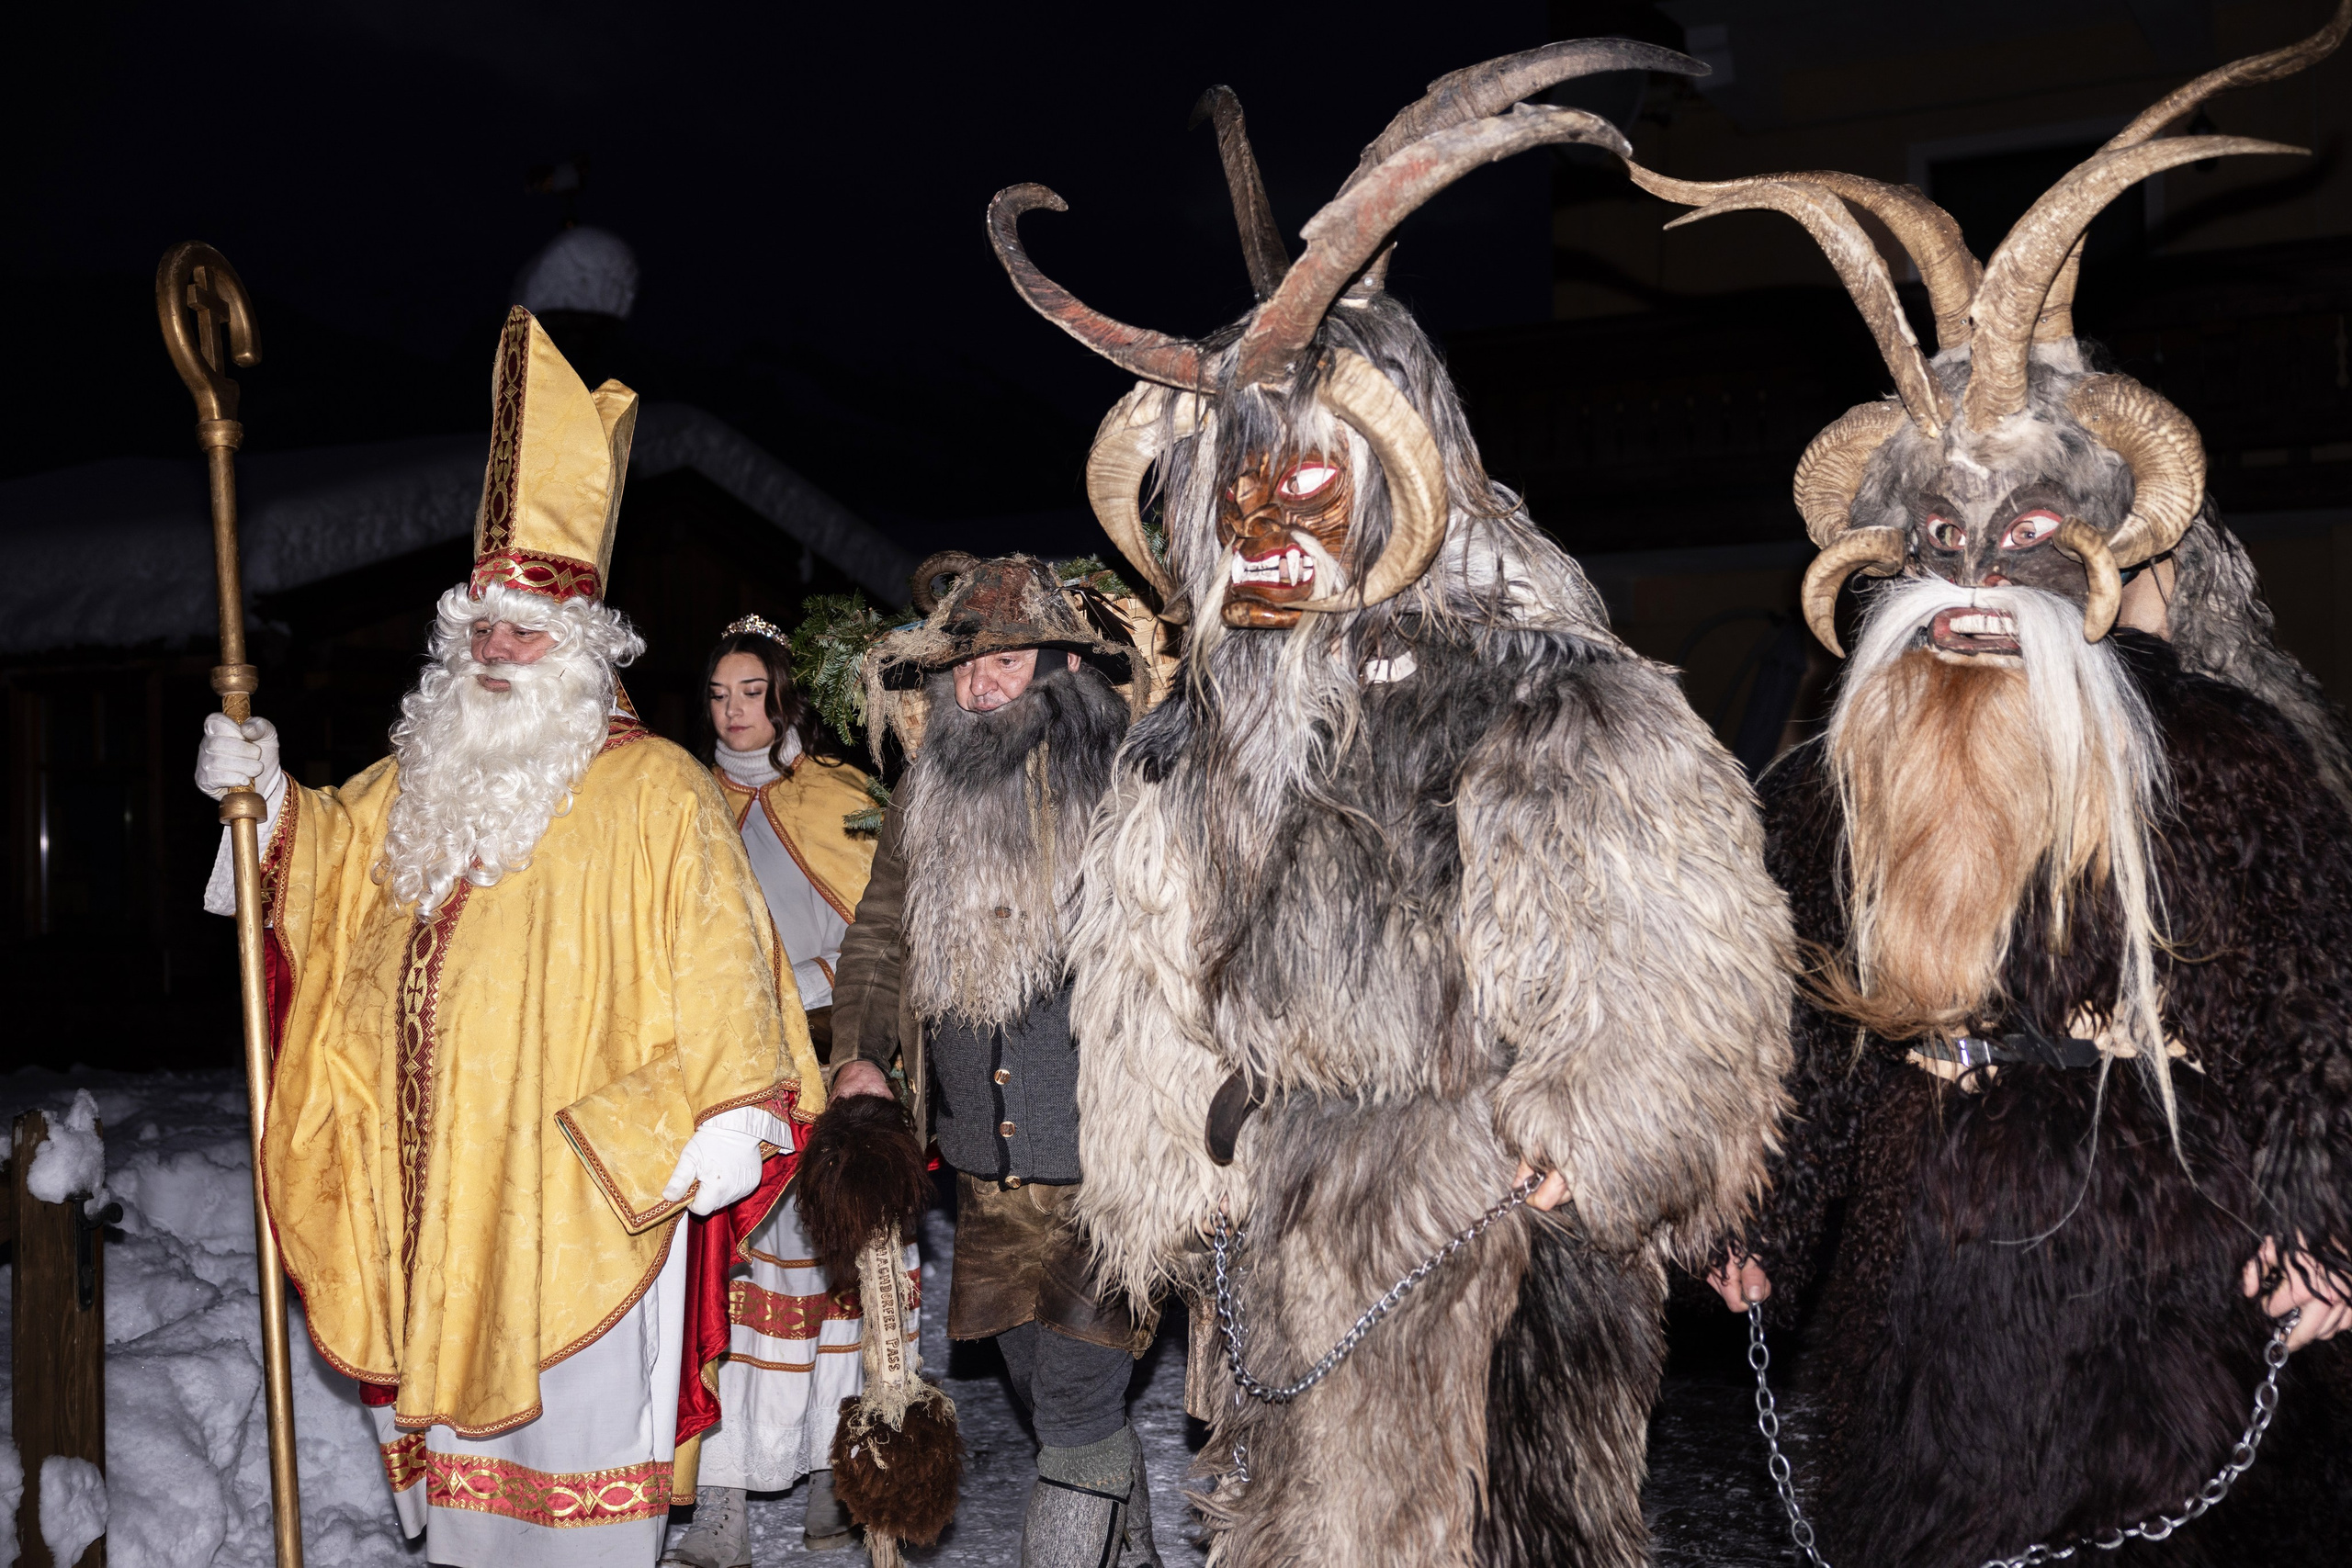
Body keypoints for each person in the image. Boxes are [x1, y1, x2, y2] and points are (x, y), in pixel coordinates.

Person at [987, 44, 1794, 1568]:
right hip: (1291, 1233)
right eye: (1237, 489)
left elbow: (1654, 932)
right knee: (1297, 1524)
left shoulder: (1540, 686)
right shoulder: (1197, 741)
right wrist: (1185, 1157)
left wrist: (1596, 1130)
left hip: (1490, 1232)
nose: (1266, 524)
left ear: (1390, 476)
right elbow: (1157, 973)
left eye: (1304, 479)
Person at [1637, 8, 2352, 1562]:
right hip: (1918, 1280)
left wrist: (2329, 1226)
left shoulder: (2226, 759)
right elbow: (1827, 1022)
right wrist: (1771, 1212)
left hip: (2163, 1266)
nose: (1969, 577)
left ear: (2098, 548)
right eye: (1936, 541)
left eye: (2019, 536)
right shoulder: (1849, 765)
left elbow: (2314, 1010)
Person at [193, 308, 824, 1568]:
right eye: (476, 627)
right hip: (443, 1199)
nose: (492, 650)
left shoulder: (657, 793)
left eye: (522, 630)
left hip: (585, 1196)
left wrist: (719, 1116)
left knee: (578, 1500)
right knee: (474, 1521)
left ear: (584, 652)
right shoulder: (427, 775)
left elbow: (725, 960)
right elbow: (322, 865)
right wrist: (257, 796)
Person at [812, 552, 1161, 1568]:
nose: (980, 681)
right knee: (1043, 1386)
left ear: (1062, 663)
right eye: (965, 663)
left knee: (1074, 1398)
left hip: (1113, 1164)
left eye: (1004, 660)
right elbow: (880, 936)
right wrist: (860, 1059)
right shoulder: (929, 790)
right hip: (980, 1165)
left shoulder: (1135, 785)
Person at [662, 615, 896, 1565]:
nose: (734, 712)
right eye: (719, 695)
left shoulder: (835, 796)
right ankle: (718, 1508)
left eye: (752, 693)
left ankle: (830, 1488)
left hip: (829, 1070)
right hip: (727, 1077)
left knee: (834, 1288)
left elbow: (884, 932)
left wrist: (822, 989)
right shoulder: (681, 800)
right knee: (729, 1289)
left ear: (784, 694)